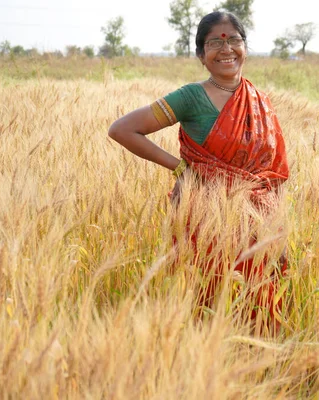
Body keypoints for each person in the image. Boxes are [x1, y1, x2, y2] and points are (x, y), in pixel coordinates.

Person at [108, 11, 289, 331]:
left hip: (258, 223)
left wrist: (278, 225)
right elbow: (122, 130)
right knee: (205, 298)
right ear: (201, 55)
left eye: (234, 39)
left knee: (260, 305)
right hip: (205, 217)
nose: (226, 49)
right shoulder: (191, 97)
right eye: (215, 43)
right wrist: (180, 168)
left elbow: (274, 172)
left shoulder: (259, 101)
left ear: (245, 47)